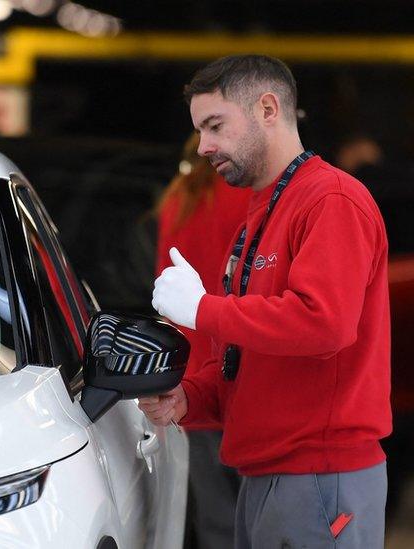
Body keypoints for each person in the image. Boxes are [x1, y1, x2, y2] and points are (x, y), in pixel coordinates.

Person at [142, 54, 391, 548]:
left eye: (215, 126)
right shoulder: (263, 210)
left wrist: (202, 310)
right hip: (268, 475)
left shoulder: (331, 201)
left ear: (269, 109)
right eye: (199, 129)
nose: (205, 146)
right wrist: (189, 398)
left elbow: (324, 324)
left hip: (318, 477)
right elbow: (248, 355)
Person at [155, 132, 250, 549]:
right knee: (260, 517)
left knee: (215, 522)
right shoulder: (250, 199)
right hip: (243, 369)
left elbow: (164, 293)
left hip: (190, 381)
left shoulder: (175, 202)